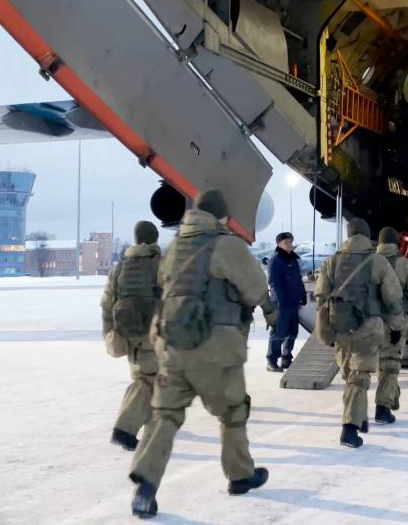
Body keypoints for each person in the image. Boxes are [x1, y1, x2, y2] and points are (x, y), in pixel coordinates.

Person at [129, 190, 278, 518]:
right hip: (216, 349)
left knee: (165, 415)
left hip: (172, 345)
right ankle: (240, 475)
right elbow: (255, 287)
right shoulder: (227, 245)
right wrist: (270, 311)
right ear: (222, 216)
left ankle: (145, 489)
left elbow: (164, 286)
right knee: (233, 412)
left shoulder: (175, 247)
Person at [315, 218, 404, 448]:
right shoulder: (378, 262)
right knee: (359, 377)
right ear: (366, 236)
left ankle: (357, 417)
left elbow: (321, 297)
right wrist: (396, 326)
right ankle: (350, 429)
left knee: (350, 376)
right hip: (369, 328)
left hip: (341, 327)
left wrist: (329, 325)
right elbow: (393, 299)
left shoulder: (332, 261)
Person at [101, 221, 163, 451]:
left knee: (145, 379)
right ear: (155, 239)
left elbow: (108, 302)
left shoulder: (121, 267)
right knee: (148, 381)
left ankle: (149, 425)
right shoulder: (161, 265)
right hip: (153, 334)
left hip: (127, 332)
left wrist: (110, 333)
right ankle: (124, 430)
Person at [374, 226, 408, 425]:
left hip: (369, 323)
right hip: (395, 322)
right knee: (390, 365)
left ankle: (389, 400)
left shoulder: (367, 263)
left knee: (381, 364)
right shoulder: (403, 264)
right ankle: (383, 408)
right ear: (396, 243)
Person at [266, 232, 306, 372]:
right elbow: (273, 282)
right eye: (286, 242)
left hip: (293, 302)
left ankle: (286, 358)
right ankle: (272, 361)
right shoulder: (276, 260)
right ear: (279, 244)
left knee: (292, 332)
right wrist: (279, 300)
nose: (289, 245)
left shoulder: (293, 260)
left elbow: (298, 279)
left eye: (290, 242)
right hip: (281, 304)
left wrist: (302, 294)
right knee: (278, 332)